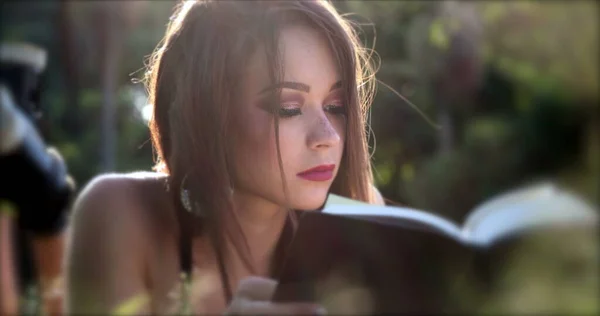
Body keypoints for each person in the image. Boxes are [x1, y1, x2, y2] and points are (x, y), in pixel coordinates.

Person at [65, 0, 384, 314]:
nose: (328, 137)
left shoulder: (363, 219)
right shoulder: (121, 214)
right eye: (288, 108)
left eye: (335, 106)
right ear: (209, 115)